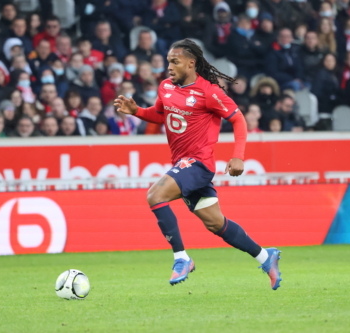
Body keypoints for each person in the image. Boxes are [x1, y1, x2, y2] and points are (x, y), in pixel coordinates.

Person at [114, 39, 281, 288]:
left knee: (155, 196)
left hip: (199, 164)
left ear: (191, 63)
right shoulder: (166, 87)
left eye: (175, 61)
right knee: (216, 223)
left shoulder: (209, 92)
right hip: (182, 163)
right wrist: (137, 110)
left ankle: (182, 258)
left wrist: (238, 155)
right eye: (168, 61)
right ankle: (266, 256)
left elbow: (238, 120)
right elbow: (161, 114)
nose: (169, 66)